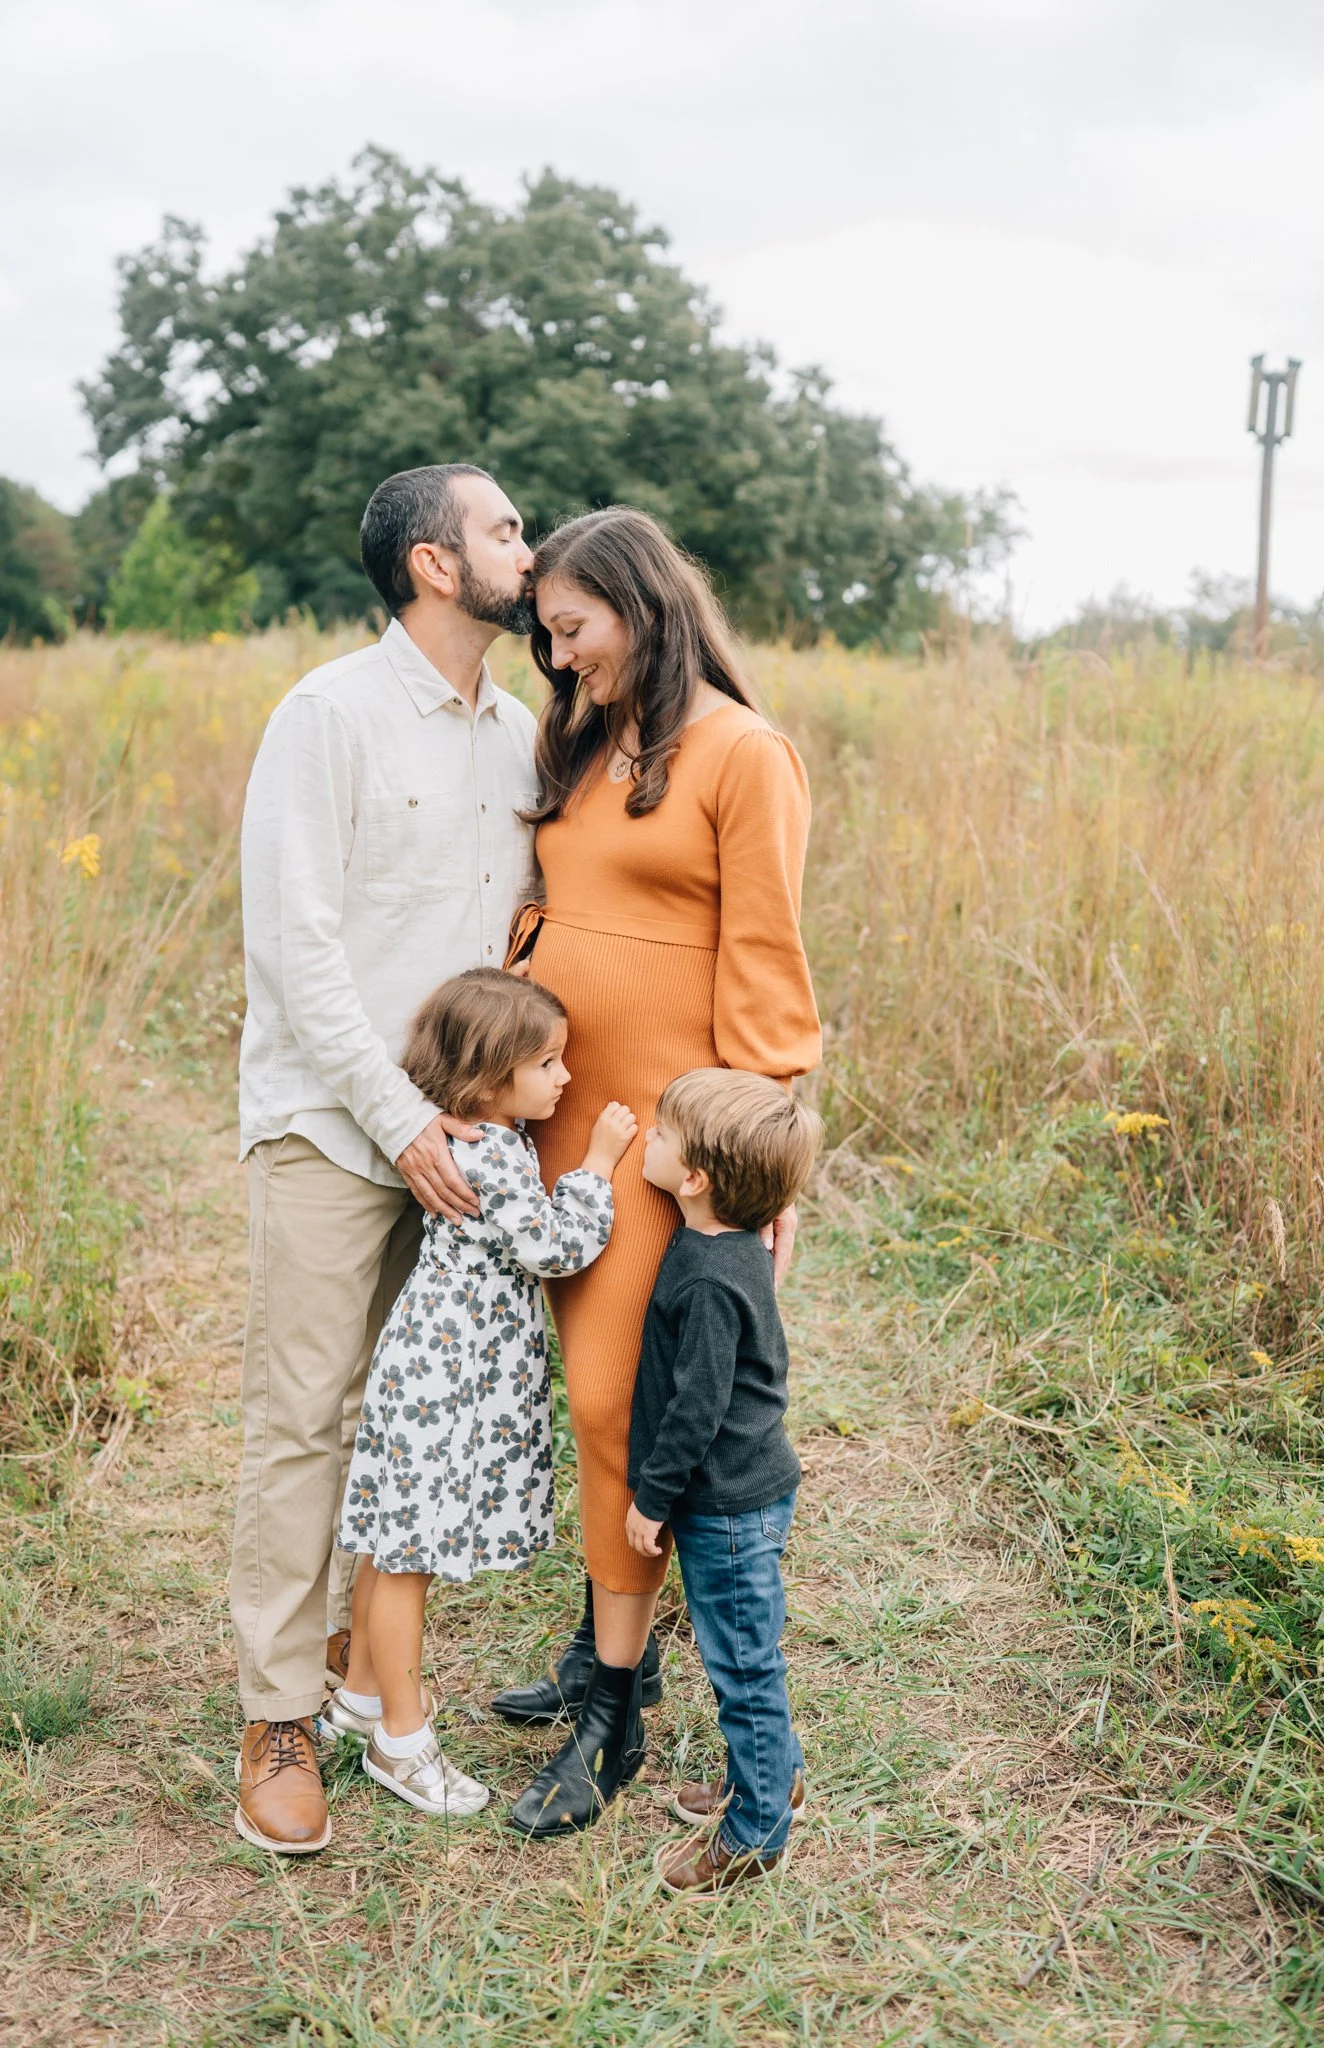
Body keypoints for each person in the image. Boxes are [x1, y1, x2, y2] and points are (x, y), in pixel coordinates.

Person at [497, 508, 823, 1838]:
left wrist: (759, 1177)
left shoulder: (745, 754)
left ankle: (612, 1718)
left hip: (671, 1146)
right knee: (587, 1402)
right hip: (564, 1124)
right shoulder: (581, 740)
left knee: (615, 1407)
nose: (560, 660)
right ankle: (597, 1645)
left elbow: (766, 964)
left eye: (573, 630)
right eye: (547, 639)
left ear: (643, 605)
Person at [231, 463, 538, 1856]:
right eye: (504, 530)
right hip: (332, 1123)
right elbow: (297, 950)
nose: (525, 550)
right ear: (433, 563)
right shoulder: (329, 716)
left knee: (427, 1416)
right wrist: (397, 1118)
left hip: (463, 1144)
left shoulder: (521, 734)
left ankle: (370, 1673)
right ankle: (277, 1715)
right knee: (310, 1415)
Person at [322, 968, 636, 1818]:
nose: (565, 1078)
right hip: (450, 1375)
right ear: (490, 1077)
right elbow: (553, 1248)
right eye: (548, 1064)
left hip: (433, 1358)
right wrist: (598, 1166)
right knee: (407, 1554)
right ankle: (402, 1737)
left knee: (392, 1538)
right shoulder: (495, 1150)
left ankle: (355, 1700)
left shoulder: (477, 1135)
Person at [625, 1069, 821, 1895]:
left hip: (727, 1504)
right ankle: (776, 1780)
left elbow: (694, 1406)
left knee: (742, 1664)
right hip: (745, 1491)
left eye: (662, 1134)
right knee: (747, 1655)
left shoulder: (708, 1278)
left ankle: (756, 1831)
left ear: (697, 1179)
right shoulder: (727, 1243)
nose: (649, 1141)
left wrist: (651, 1498)